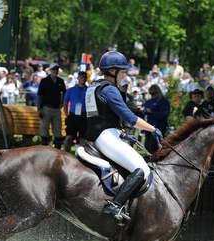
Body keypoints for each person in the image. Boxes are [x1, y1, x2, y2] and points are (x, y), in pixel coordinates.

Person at [84, 51, 163, 223]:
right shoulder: (109, 90)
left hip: (99, 133)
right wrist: (152, 128)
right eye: (123, 71)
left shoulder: (94, 86)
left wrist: (121, 133)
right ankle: (115, 205)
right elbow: (130, 118)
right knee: (141, 169)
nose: (124, 75)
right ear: (113, 71)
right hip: (105, 136)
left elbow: (103, 116)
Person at [37, 63, 67, 148]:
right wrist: (39, 108)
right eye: (53, 69)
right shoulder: (44, 81)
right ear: (50, 70)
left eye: (56, 69)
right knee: (44, 130)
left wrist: (62, 103)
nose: (55, 71)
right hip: (46, 108)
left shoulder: (61, 81)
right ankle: (44, 149)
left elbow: (65, 93)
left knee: (58, 130)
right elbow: (39, 95)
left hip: (57, 109)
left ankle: (57, 150)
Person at [63, 71, 88, 152]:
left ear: (86, 79)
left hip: (84, 116)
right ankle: (65, 154)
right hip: (72, 116)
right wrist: (67, 114)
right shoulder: (70, 90)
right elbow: (65, 103)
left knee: (83, 139)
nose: (83, 79)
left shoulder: (89, 90)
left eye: (84, 77)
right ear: (78, 78)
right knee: (68, 137)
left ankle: (82, 157)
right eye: (81, 77)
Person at [142, 84, 170, 153]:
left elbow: (164, 114)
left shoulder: (163, 101)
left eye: (154, 93)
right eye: (151, 93)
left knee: (155, 148)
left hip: (159, 128)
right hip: (148, 127)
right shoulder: (149, 101)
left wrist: (151, 111)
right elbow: (143, 109)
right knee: (147, 148)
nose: (153, 95)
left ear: (158, 92)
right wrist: (143, 110)